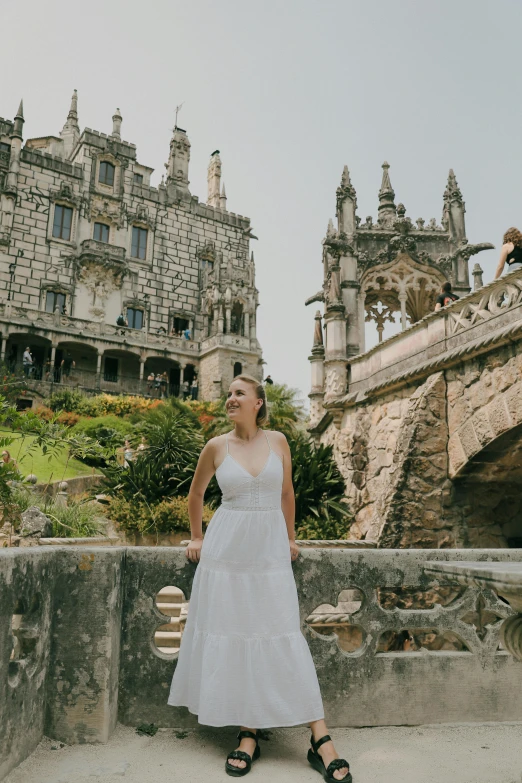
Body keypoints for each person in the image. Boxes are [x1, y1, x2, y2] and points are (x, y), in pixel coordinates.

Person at [168, 375, 351, 781]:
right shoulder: (216, 446)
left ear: (258, 403)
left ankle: (319, 737)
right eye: (229, 394)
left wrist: (290, 537)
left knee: (281, 633)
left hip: (268, 553)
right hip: (226, 555)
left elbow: (287, 494)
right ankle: (248, 733)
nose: (230, 399)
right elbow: (195, 495)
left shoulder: (279, 441)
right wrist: (198, 537)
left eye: (239, 394)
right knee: (239, 634)